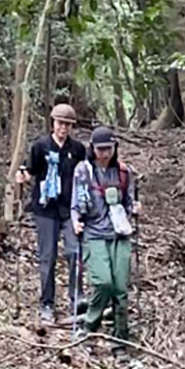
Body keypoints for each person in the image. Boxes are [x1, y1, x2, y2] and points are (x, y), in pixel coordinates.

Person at [18, 101, 84, 328]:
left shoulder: (77, 149)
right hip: (45, 209)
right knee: (48, 256)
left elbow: (83, 174)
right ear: (52, 123)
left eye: (67, 124)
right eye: (60, 123)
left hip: (69, 209)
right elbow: (31, 170)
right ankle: (47, 303)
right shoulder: (40, 146)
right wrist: (23, 176)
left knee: (74, 252)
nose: (63, 128)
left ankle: (77, 299)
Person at [71, 126, 136, 357]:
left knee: (120, 289)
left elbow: (130, 201)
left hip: (120, 234)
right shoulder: (83, 171)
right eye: (100, 149)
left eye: (109, 149)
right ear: (93, 149)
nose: (105, 153)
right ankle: (89, 326)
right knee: (103, 283)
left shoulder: (124, 172)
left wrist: (135, 208)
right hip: (94, 234)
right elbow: (76, 203)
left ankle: (120, 340)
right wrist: (76, 220)